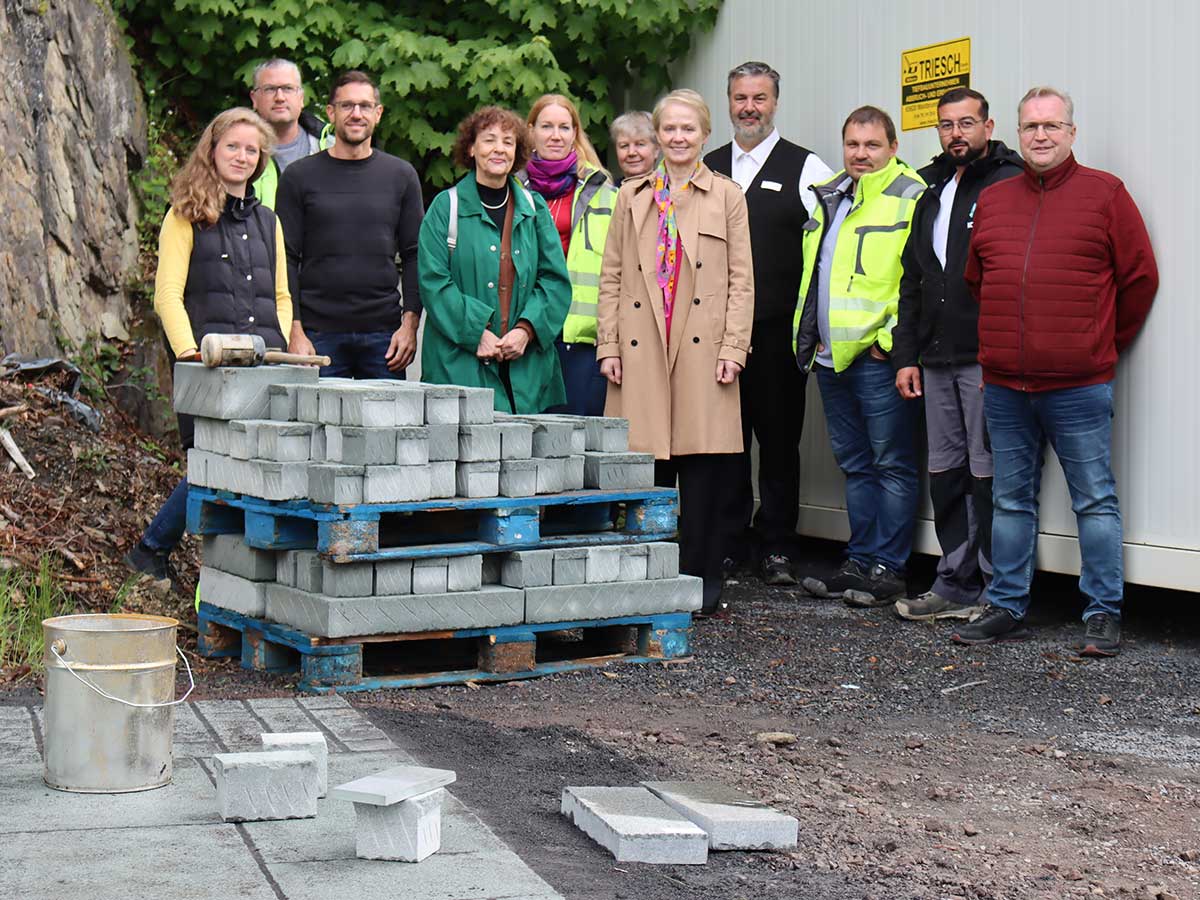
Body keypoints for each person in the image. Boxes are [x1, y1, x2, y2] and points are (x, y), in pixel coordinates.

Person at [953, 87, 1158, 655]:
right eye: (1030, 127)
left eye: (1052, 125)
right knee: (1011, 500)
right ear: (1015, 134)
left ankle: (1101, 612)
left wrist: (1098, 344)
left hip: (1079, 383)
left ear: (1072, 132)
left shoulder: (1105, 195)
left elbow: (1139, 278)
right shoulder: (995, 200)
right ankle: (1007, 605)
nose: (1040, 136)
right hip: (1005, 385)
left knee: (1094, 499)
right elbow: (979, 279)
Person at [597, 89, 753, 615]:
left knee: (704, 474)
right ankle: (650, 579)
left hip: (703, 349)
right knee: (649, 473)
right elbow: (612, 276)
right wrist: (609, 345)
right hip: (642, 348)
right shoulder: (631, 196)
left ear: (705, 135)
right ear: (657, 135)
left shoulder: (727, 195)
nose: (679, 138)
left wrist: (734, 347)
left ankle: (703, 580)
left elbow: (741, 281)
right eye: (670, 129)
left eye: (689, 129)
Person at [124, 108, 291, 582]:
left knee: (251, 464)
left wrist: (277, 347)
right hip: (208, 368)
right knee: (212, 462)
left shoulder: (269, 221)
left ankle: (240, 570)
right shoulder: (184, 215)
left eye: (251, 150)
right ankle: (151, 549)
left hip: (265, 364)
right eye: (232, 147)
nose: (242, 156)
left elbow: (280, 295)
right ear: (212, 151)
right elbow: (167, 295)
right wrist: (190, 354)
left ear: (261, 160)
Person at [891, 88, 1023, 621]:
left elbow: (1013, 277)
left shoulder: (1009, 182)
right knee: (946, 471)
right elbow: (912, 280)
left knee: (989, 473)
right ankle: (954, 582)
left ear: (988, 126)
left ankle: (998, 588)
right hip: (935, 359)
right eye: (946, 125)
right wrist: (906, 355)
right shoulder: (933, 189)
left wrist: (1002, 355)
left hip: (984, 357)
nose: (956, 134)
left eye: (966, 123)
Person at [705, 61, 834, 586]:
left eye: (759, 97)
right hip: (714, 333)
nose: (749, 107)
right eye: (740, 97)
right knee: (726, 441)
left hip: (780, 331)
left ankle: (778, 545)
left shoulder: (808, 167)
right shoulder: (707, 167)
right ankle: (732, 542)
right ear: (729, 101)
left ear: (775, 102)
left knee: (779, 442)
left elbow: (830, 245)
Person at [793, 106, 925, 608]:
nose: (861, 154)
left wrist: (889, 342)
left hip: (877, 357)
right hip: (832, 358)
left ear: (892, 147)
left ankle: (887, 568)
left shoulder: (910, 196)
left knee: (892, 463)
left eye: (872, 145)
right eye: (853, 144)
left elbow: (914, 281)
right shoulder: (832, 194)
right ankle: (859, 557)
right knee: (856, 464)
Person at [417, 106, 572, 413]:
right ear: (472, 148)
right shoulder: (445, 207)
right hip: (458, 365)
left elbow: (554, 279)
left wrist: (525, 330)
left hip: (524, 369)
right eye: (489, 140)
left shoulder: (534, 207)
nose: (499, 149)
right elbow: (433, 282)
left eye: (508, 141)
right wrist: (476, 333)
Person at [276, 70, 423, 379]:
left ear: (378, 113)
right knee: (316, 428)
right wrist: (295, 330)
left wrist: (409, 325)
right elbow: (284, 257)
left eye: (365, 106)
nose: (356, 114)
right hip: (317, 337)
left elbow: (415, 255)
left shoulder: (401, 175)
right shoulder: (299, 177)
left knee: (387, 428)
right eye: (347, 106)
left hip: (384, 337)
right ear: (331, 112)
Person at [522, 95, 617, 416]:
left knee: (579, 444)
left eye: (564, 127)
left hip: (582, 335)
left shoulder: (604, 192)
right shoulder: (512, 190)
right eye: (546, 126)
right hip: (527, 333)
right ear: (530, 131)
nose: (555, 135)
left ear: (575, 133)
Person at [248, 58, 333, 209]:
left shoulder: (332, 148)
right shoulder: (238, 154)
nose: (280, 97)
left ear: (301, 98)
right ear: (254, 99)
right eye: (270, 89)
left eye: (288, 88)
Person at [610, 111, 657, 181]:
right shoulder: (607, 190)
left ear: (656, 149)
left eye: (640, 144)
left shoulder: (670, 189)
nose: (631, 152)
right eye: (624, 146)